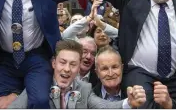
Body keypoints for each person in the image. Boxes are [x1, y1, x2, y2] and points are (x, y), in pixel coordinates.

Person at [8, 39, 146, 109]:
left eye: (73, 64)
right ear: (54, 63)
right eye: (63, 62)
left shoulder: (84, 88)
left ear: (79, 66)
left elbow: (104, 106)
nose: (67, 69)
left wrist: (128, 103)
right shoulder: (38, 85)